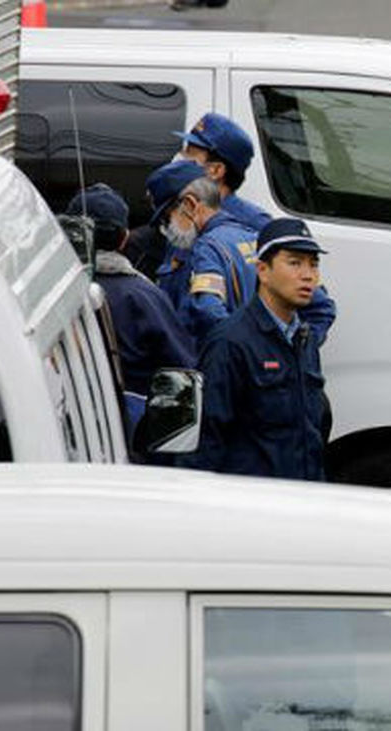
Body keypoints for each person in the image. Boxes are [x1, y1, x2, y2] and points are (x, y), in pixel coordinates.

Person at [182, 217, 329, 479]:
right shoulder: (230, 343)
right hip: (252, 506)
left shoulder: (303, 339)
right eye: (294, 262)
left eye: (313, 264)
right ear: (262, 270)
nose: (308, 275)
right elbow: (205, 444)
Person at [175, 111, 337, 344]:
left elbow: (319, 308)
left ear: (216, 170)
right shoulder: (184, 216)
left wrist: (289, 354)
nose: (181, 158)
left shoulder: (257, 225)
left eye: (190, 153)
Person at [65, 184, 195, 424]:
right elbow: (183, 372)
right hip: (133, 433)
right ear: (125, 237)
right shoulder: (146, 297)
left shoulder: (48, 293)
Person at [145, 159, 258, 342]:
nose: (167, 229)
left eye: (167, 219)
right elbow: (315, 305)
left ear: (190, 205)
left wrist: (235, 351)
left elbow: (208, 311)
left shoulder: (205, 248)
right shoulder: (254, 237)